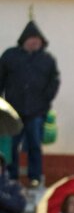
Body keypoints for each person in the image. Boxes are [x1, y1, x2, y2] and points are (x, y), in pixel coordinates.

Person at [0, 20, 59, 185]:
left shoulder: (47, 59)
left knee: (34, 145)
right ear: (24, 40)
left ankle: (35, 176)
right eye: (32, 40)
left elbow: (54, 82)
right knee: (12, 146)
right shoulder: (10, 56)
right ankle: (11, 176)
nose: (35, 43)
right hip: (13, 110)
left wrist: (46, 101)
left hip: (37, 110)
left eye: (38, 41)